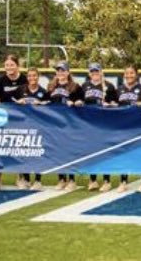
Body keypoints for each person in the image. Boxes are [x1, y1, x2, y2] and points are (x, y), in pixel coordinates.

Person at [0, 54, 28, 192]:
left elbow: (30, 96)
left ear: (17, 66)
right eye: (6, 65)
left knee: (19, 147)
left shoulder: (24, 79)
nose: (9, 67)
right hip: (2, 118)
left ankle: (20, 178)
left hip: (19, 118)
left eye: (12, 65)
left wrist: (24, 101)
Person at [79, 62, 119, 192]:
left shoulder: (109, 86)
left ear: (101, 72)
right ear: (89, 73)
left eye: (97, 71)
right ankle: (93, 180)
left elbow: (116, 103)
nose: (95, 73)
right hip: (90, 123)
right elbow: (80, 101)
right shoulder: (84, 86)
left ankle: (107, 180)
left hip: (104, 123)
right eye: (92, 71)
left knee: (105, 152)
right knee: (92, 151)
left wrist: (110, 104)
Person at [116, 65, 141, 192]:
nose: (129, 75)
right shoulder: (119, 89)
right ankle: (123, 181)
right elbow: (113, 104)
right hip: (124, 127)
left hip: (140, 126)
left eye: (132, 73)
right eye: (127, 73)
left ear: (136, 74)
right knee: (124, 154)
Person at [47, 61, 82, 191]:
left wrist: (76, 102)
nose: (60, 73)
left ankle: (72, 180)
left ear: (68, 72)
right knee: (58, 152)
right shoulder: (51, 86)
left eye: (63, 70)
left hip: (70, 123)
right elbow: (46, 102)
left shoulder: (75, 86)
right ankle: (61, 179)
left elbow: (81, 100)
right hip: (55, 124)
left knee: (70, 152)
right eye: (58, 70)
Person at [16, 67, 50, 190]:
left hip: (38, 126)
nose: (32, 78)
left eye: (34, 75)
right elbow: (8, 100)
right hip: (23, 125)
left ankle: (38, 180)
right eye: (30, 76)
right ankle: (25, 179)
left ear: (38, 77)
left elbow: (50, 106)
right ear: (27, 77)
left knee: (37, 153)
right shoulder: (21, 90)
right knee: (24, 153)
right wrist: (17, 102)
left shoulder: (43, 91)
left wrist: (41, 104)